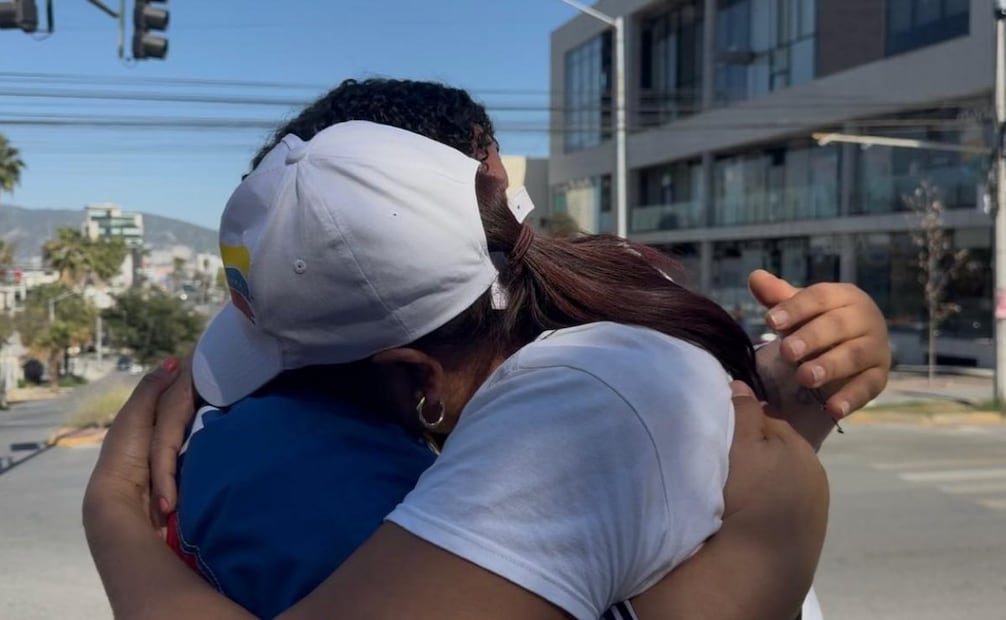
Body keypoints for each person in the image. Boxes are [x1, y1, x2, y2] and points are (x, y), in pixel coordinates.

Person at [84, 119, 886, 619]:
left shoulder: (571, 413)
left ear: (419, 377)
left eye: (304, 383)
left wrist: (115, 520)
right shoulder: (601, 338)